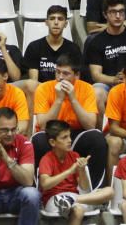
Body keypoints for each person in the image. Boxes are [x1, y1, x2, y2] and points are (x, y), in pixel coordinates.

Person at [32, 56, 108, 189]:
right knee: (38, 139)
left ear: (77, 75)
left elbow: (90, 125)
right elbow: (43, 125)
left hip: (77, 135)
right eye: (57, 72)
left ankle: (93, 191)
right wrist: (59, 100)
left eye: (65, 73)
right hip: (53, 134)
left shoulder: (87, 88)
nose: (60, 77)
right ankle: (41, 191)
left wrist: (73, 98)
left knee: (97, 137)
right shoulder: (43, 88)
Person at [37, 119, 114, 223]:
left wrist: (82, 170)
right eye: (64, 137)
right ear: (52, 142)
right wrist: (69, 171)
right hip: (54, 199)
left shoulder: (74, 155)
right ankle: (70, 201)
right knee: (78, 210)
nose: (69, 140)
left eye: (69, 136)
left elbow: (85, 188)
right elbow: (45, 184)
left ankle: (71, 201)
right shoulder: (46, 159)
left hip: (77, 197)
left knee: (110, 191)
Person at [84, 0, 126, 111]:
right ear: (105, 15)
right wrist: (114, 80)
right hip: (108, 84)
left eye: (121, 11)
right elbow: (96, 75)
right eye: (113, 12)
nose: (118, 16)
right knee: (96, 91)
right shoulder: (96, 42)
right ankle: (102, 129)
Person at [23, 5, 82, 84]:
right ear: (46, 22)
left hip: (65, 90)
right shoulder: (34, 47)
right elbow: (34, 82)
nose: (56, 22)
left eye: (60, 19)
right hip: (42, 92)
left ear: (66, 24)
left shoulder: (74, 49)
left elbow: (76, 80)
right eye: (52, 18)